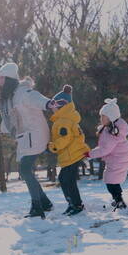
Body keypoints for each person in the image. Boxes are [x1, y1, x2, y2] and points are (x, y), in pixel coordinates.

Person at [0, 62, 59, 219]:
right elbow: (11, 117)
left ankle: (37, 207)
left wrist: (48, 103)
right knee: (25, 170)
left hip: (35, 134)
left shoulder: (23, 91)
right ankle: (45, 203)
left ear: (9, 79)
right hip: (26, 137)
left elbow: (36, 98)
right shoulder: (10, 97)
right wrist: (3, 128)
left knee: (24, 170)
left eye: (1, 78)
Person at [47, 85, 90, 216]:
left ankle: (76, 205)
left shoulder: (63, 121)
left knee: (66, 179)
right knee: (66, 179)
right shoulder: (64, 119)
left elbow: (65, 138)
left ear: (61, 106)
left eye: (54, 107)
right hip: (71, 155)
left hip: (72, 155)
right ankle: (74, 204)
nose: (52, 110)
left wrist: (53, 146)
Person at [88, 98, 128, 210]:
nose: (101, 119)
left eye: (103, 116)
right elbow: (105, 148)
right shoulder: (112, 129)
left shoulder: (113, 132)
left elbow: (104, 149)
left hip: (118, 160)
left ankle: (119, 201)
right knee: (112, 181)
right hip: (118, 159)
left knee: (111, 181)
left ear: (111, 118)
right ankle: (118, 200)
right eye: (101, 116)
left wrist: (90, 154)